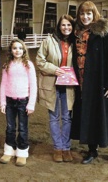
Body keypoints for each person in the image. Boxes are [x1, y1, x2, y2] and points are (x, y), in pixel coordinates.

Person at [71, 1, 108, 167]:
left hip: (101, 82)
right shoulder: (76, 32)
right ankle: (92, 150)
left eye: (89, 13)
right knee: (88, 115)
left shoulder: (104, 31)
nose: (85, 16)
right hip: (82, 82)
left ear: (94, 14)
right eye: (82, 13)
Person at [35, 14, 76, 163]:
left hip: (68, 86)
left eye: (69, 25)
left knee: (67, 118)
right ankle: (57, 147)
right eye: (64, 25)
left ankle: (66, 147)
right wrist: (54, 69)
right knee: (54, 118)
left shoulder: (75, 43)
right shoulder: (48, 41)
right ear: (59, 26)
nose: (66, 28)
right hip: (52, 84)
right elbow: (40, 60)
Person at [0, 38, 37, 166]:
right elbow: (3, 84)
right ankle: (9, 150)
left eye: (20, 48)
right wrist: (2, 102)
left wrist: (31, 103)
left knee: (22, 128)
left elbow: (33, 85)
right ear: (11, 50)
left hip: (23, 101)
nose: (17, 50)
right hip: (10, 101)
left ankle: (22, 152)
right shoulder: (6, 65)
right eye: (15, 48)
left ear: (24, 50)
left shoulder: (29, 65)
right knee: (10, 128)